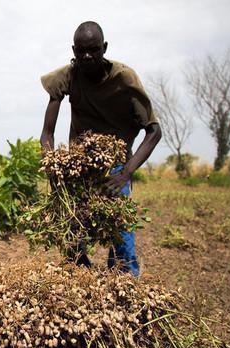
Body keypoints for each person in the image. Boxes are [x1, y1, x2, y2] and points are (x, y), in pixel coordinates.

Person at [40, 21, 162, 277]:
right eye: (81, 51)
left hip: (116, 165)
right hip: (79, 164)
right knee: (75, 233)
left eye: (94, 50)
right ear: (73, 50)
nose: (87, 57)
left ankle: (126, 287)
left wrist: (127, 172)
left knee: (120, 235)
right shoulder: (68, 76)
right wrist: (53, 166)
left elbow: (153, 131)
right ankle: (78, 282)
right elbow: (47, 133)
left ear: (104, 48)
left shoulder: (124, 78)